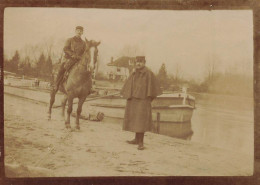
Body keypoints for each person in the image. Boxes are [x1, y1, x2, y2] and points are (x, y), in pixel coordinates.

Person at [121, 56, 162, 150]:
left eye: (141, 62)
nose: (138, 63)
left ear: (144, 62)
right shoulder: (134, 72)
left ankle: (141, 142)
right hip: (134, 99)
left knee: (141, 121)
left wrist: (148, 99)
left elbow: (153, 87)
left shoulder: (148, 73)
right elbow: (128, 84)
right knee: (135, 120)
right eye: (137, 62)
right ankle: (136, 139)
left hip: (143, 100)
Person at [53, 26, 86, 91]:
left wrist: (82, 58)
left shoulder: (83, 43)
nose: (79, 32)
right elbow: (65, 48)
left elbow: (84, 52)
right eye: (78, 30)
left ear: (82, 32)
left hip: (78, 60)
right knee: (62, 69)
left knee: (86, 70)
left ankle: (87, 88)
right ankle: (56, 84)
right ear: (75, 31)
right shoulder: (70, 40)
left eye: (80, 31)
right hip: (69, 58)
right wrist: (72, 54)